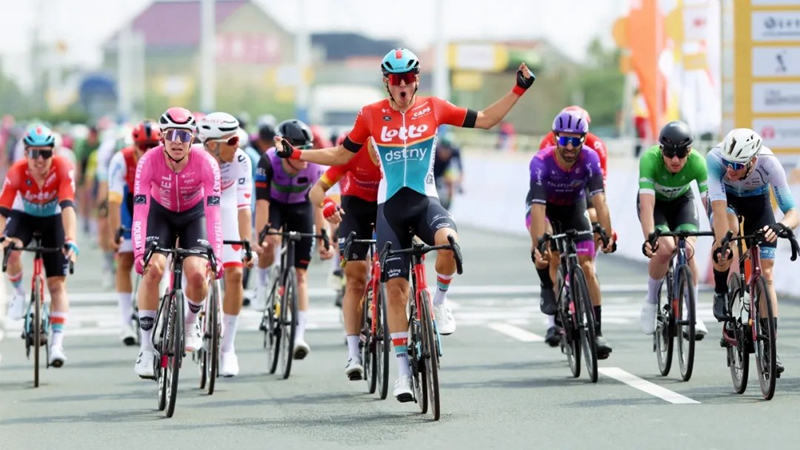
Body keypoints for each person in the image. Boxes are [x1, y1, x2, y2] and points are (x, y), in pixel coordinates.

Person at [273, 47, 535, 401]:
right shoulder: (370, 115)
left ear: (416, 80)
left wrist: (518, 89)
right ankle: (402, 375)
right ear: (387, 82)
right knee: (395, 289)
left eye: (408, 78)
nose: (402, 85)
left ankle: (439, 302)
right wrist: (296, 153)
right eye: (396, 79)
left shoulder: (435, 107)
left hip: (425, 202)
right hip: (390, 210)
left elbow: (487, 119)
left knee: (449, 243)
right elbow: (341, 155)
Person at [132, 107, 223, 379]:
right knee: (154, 269)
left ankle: (191, 322)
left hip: (195, 216)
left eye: (183, 135)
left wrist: (216, 255)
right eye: (171, 134)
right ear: (162, 136)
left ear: (192, 137)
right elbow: (140, 211)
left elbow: (214, 213)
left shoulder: (206, 162)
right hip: (160, 215)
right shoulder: (148, 161)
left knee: (197, 274)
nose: (177, 141)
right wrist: (139, 252)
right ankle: (146, 349)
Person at [708, 128, 799, 374]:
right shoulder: (715, 159)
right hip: (726, 200)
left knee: (766, 274)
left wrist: (781, 226)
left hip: (757, 201)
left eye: (737, 165)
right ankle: (721, 291)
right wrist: (723, 242)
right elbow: (718, 209)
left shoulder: (769, 164)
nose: (730, 170)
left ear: (753, 161)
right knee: (728, 238)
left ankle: (770, 348)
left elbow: (792, 211)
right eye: (728, 163)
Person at [527, 110, 616, 359]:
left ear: (583, 139)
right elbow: (538, 208)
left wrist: (607, 234)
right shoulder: (540, 161)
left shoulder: (590, 158)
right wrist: (539, 244)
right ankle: (548, 287)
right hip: (545, 209)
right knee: (547, 252)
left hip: (574, 207)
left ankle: (597, 332)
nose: (569, 146)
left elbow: (600, 200)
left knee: (587, 266)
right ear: (555, 138)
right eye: (564, 139)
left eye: (575, 140)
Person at [253, 119, 333, 360]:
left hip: (301, 208)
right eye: (298, 150)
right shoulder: (268, 160)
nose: (303, 155)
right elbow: (262, 204)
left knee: (300, 276)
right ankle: (261, 283)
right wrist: (262, 237)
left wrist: (324, 238)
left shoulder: (314, 166)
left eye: (307, 148)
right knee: (270, 242)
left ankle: (299, 337)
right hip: (274, 206)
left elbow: (319, 207)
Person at [0, 124, 79, 367]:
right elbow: (3, 211)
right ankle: (18, 294)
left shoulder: (63, 168)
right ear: (26, 153)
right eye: (34, 153)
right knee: (12, 251)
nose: (40, 159)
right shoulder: (16, 171)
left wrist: (71, 240)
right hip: (24, 217)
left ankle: (56, 344)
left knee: (56, 285)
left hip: (53, 220)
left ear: (53, 152)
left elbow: (68, 207)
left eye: (45, 153)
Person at [308, 133, 381, 380]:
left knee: (398, 272)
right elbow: (316, 191)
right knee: (355, 280)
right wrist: (327, 204)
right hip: (355, 210)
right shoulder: (351, 155)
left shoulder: (394, 151)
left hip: (387, 208)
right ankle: (353, 353)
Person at [638, 121, 708, 338]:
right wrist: (650, 238)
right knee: (665, 249)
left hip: (682, 202)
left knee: (688, 250)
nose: (675, 160)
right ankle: (651, 301)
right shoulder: (649, 159)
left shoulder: (698, 163)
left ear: (690, 151)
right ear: (661, 150)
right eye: (669, 153)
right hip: (656, 205)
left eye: (681, 153)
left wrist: (721, 233)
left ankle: (692, 313)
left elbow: (710, 204)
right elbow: (647, 206)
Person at [197, 112, 255, 377]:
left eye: (238, 138)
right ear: (211, 144)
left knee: (235, 274)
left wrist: (247, 245)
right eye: (231, 141)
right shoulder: (194, 156)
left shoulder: (241, 160)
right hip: (197, 207)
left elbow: (243, 207)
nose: (237, 145)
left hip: (227, 204)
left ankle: (227, 348)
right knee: (194, 267)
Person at [107, 120, 161, 345]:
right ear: (134, 145)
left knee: (162, 258)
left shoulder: (166, 157)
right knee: (125, 259)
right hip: (129, 204)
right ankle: (125, 322)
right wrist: (116, 232)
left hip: (157, 204)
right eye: (142, 146)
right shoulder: (121, 160)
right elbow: (114, 199)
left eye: (153, 146)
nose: (147, 151)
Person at [433, 133, 463, 211]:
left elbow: (460, 169)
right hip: (435, 167)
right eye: (443, 151)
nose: (445, 154)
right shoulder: (434, 151)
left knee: (451, 181)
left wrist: (460, 184)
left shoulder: (455, 151)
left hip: (446, 167)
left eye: (448, 151)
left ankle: (448, 206)